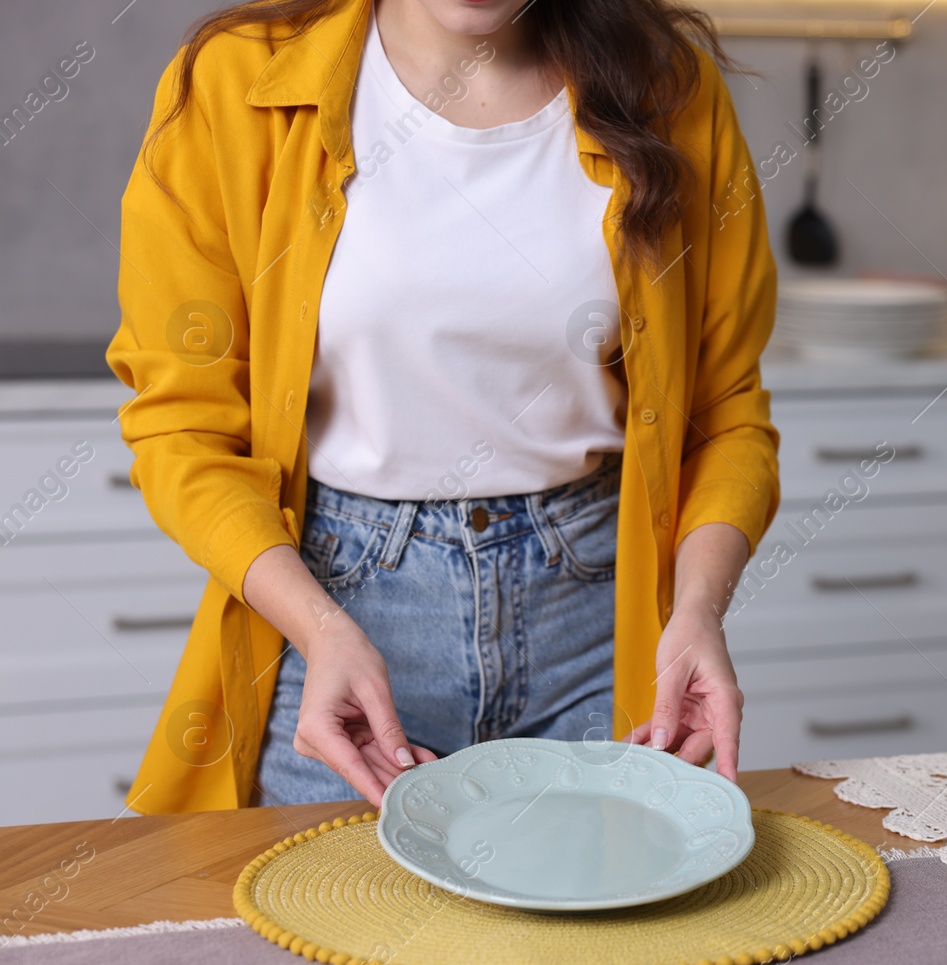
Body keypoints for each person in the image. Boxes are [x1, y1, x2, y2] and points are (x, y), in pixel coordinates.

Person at [106, 0, 780, 812]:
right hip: (338, 622)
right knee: (337, 926)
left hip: (598, 625)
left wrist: (700, 607)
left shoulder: (671, 89)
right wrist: (316, 627)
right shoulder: (235, 83)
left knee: (592, 936)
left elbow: (725, 411)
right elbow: (183, 426)